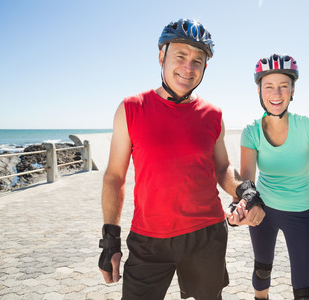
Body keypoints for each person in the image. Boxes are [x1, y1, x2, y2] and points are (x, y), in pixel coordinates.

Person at [97, 18, 265, 300]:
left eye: (197, 61)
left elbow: (222, 168)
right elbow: (114, 177)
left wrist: (246, 189)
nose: (188, 68)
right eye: (180, 56)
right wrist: (110, 240)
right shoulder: (130, 109)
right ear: (162, 56)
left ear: (205, 67)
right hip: (148, 239)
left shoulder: (212, 114)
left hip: (206, 236)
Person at [235, 54, 309, 300]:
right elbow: (247, 178)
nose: (276, 93)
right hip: (264, 212)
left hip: (301, 214)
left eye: (284, 86)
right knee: (262, 270)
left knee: (303, 289)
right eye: (269, 86)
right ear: (259, 90)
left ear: (293, 90)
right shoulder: (251, 131)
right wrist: (244, 204)